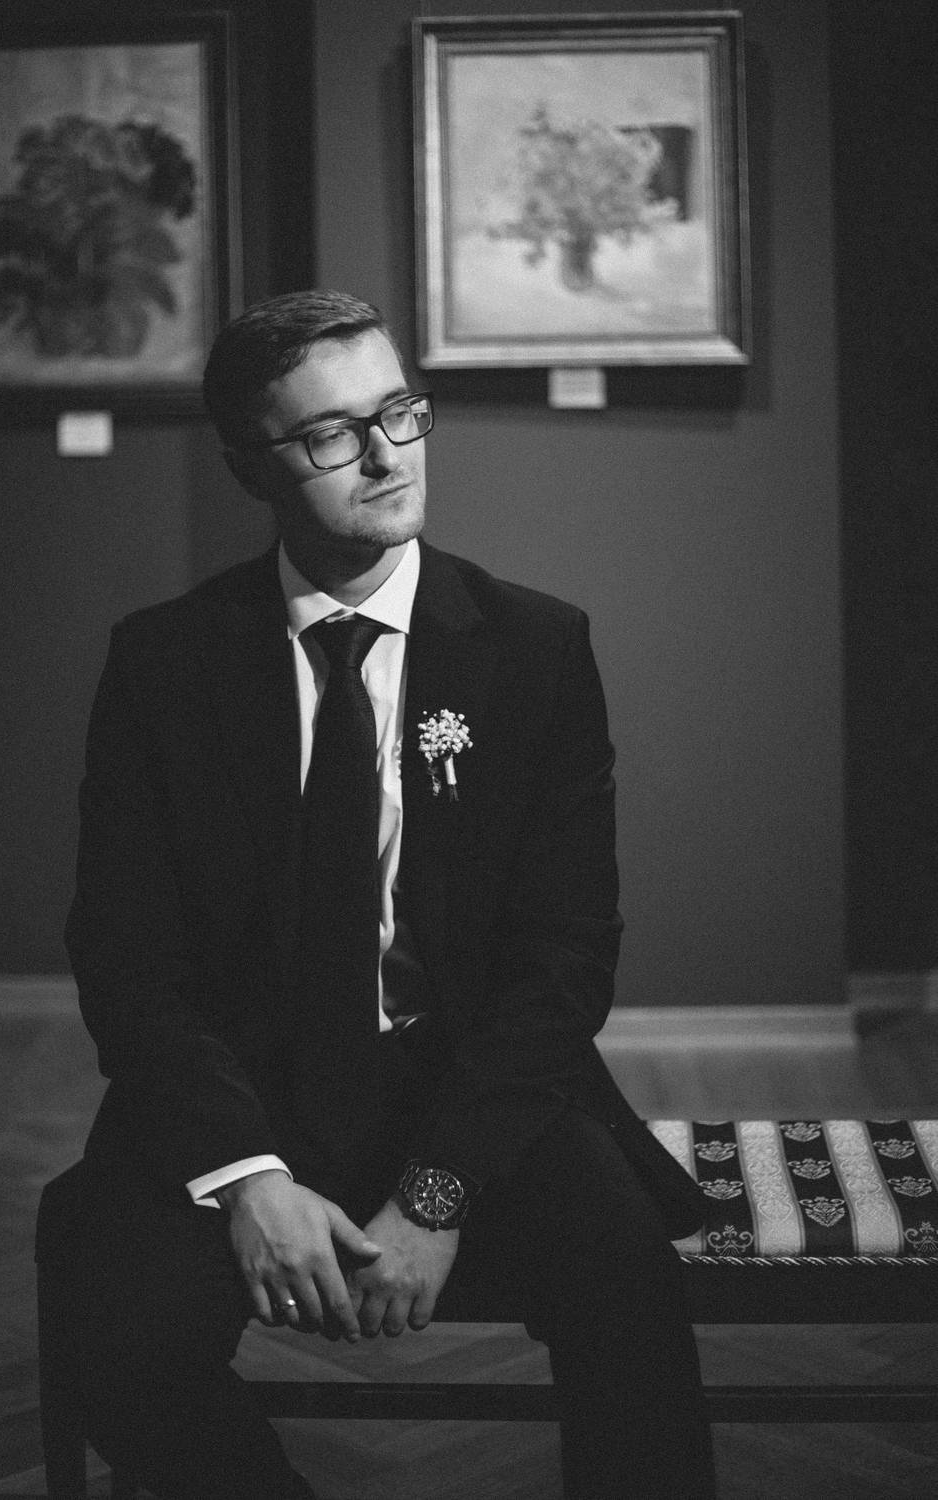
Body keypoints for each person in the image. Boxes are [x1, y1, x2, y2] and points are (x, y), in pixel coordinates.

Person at [64, 289, 716, 1498]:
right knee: (117, 1335)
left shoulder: (535, 649)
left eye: (400, 412)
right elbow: (127, 960)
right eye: (331, 434)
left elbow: (565, 960)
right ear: (249, 467)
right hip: (243, 1086)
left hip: (466, 1077)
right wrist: (247, 1177)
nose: (385, 456)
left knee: (629, 1288)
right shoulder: (164, 663)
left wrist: (437, 1193)